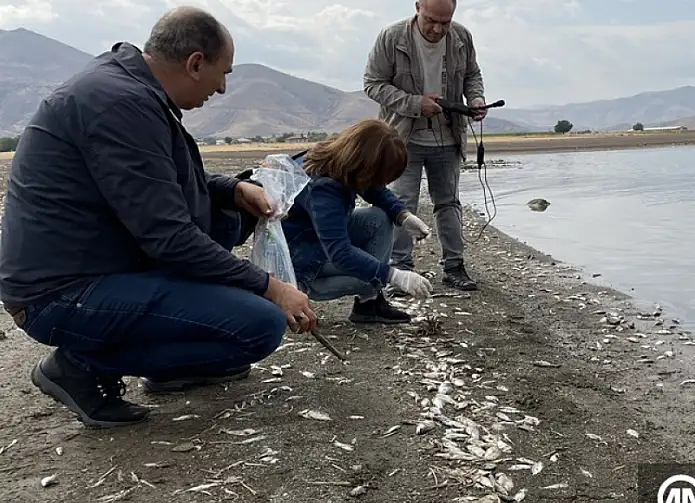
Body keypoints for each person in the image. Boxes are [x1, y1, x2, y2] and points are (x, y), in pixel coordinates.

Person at [0, 6, 316, 430]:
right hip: (60, 293)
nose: (222, 89)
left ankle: (171, 364)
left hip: (91, 267)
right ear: (195, 63)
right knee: (258, 323)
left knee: (223, 225)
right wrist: (272, 287)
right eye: (223, 74)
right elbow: (169, 238)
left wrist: (231, 189)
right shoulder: (119, 103)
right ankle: (80, 364)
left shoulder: (126, 88)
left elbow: (153, 175)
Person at [363, 0, 487, 293]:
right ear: (417, 6)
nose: (438, 29)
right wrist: (416, 104)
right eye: (431, 20)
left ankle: (455, 267)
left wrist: (477, 99)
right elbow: (372, 84)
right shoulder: (391, 37)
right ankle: (402, 269)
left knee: (449, 203)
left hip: (448, 136)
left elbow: (472, 75)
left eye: (445, 22)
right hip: (402, 140)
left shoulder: (461, 36)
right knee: (402, 204)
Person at [283, 119, 435, 323]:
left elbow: (374, 189)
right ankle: (368, 296)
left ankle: (369, 303)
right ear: (366, 165)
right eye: (381, 176)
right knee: (372, 278)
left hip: (317, 240)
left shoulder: (340, 158)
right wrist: (393, 275)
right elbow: (340, 252)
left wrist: (403, 216)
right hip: (304, 264)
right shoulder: (323, 189)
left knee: (380, 218)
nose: (383, 183)